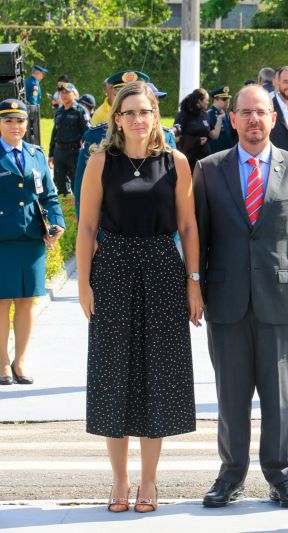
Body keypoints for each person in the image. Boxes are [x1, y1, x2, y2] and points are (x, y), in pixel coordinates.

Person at [194, 84, 288, 509]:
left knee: (278, 395)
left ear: (273, 119)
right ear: (233, 119)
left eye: (261, 112)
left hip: (282, 300)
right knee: (231, 395)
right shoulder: (209, 169)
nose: (253, 120)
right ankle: (231, 475)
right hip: (225, 300)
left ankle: (280, 475)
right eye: (246, 112)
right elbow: (196, 237)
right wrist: (192, 288)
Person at [76, 81, 202, 514]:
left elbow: (187, 228)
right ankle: (120, 480)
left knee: (159, 379)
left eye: (144, 111)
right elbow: (87, 228)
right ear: (116, 119)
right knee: (114, 377)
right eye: (128, 112)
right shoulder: (100, 162)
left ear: (155, 116)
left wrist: (193, 282)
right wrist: (83, 284)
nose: (137, 119)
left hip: (163, 272)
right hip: (111, 271)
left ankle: (149, 480)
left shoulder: (176, 162)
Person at [0, 99, 65, 386]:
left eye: (21, 121)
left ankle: (20, 360)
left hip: (31, 237)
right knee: (1, 303)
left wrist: (58, 221)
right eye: (9, 121)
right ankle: (2, 361)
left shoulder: (35, 154)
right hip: (2, 238)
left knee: (27, 301)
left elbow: (48, 194)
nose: (16, 126)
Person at [74, 71, 176, 220]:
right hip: (109, 234)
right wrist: (90, 235)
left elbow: (174, 195)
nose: (128, 101)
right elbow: (81, 189)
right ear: (112, 98)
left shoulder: (165, 136)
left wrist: (173, 239)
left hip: (158, 233)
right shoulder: (95, 136)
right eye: (121, 95)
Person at [49, 82, 90, 195]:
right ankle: (65, 209)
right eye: (62, 92)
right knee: (59, 182)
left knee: (77, 184)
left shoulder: (81, 111)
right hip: (59, 152)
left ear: (75, 94)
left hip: (74, 153)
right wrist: (51, 154)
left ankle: (77, 210)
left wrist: (85, 154)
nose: (64, 95)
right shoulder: (59, 111)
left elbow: (87, 134)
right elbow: (55, 133)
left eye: (67, 92)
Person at [175, 88, 222, 173]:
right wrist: (196, 141)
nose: (208, 102)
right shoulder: (183, 115)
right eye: (206, 100)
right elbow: (175, 138)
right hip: (188, 160)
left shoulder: (205, 115)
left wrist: (219, 119)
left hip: (204, 159)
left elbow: (214, 135)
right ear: (199, 101)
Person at [207, 87, 235, 154]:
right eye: (224, 99)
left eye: (228, 99)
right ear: (215, 100)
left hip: (228, 153)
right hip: (215, 154)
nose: (227, 101)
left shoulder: (227, 115)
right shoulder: (208, 114)